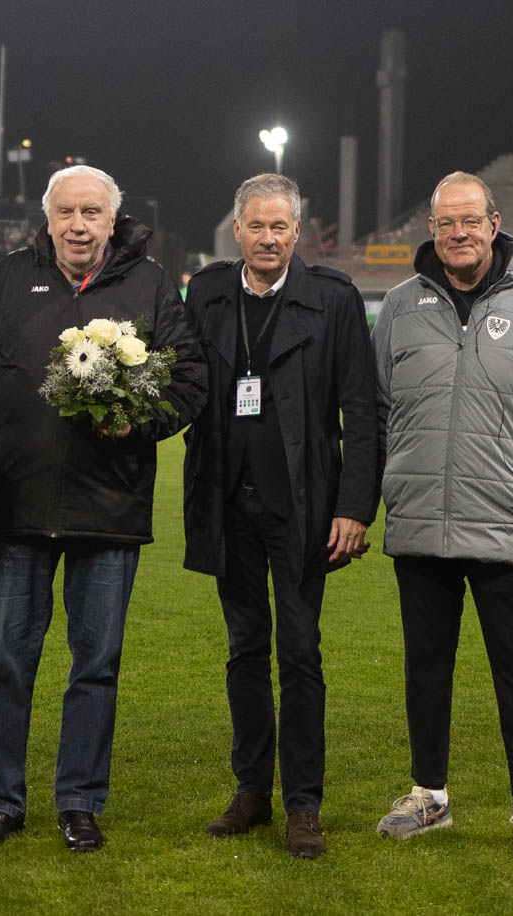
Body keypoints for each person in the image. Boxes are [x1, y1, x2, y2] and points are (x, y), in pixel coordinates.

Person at [0, 165, 205, 853]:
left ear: (113, 219)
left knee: (95, 667)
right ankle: (0, 802)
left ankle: (79, 803)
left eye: (92, 211)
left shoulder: (150, 283)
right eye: (66, 211)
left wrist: (138, 422)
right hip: (16, 504)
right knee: (5, 661)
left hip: (108, 508)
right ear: (49, 217)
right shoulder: (8, 277)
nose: (78, 224)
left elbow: (190, 382)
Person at [371, 172, 513, 859]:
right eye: (446, 223)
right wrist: (361, 505)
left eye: (470, 221)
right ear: (432, 230)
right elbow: (373, 416)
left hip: (508, 520)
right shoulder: (399, 306)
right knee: (425, 667)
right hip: (419, 522)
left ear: (495, 223)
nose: (459, 233)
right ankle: (429, 796)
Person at [181, 174, 378, 859]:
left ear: (301, 233)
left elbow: (363, 411)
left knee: (299, 651)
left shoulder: (333, 299)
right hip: (226, 504)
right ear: (236, 230)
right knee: (243, 649)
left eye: (281, 228)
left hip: (304, 508)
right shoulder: (205, 293)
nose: (268, 239)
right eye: (256, 227)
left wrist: (354, 507)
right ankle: (250, 792)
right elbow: (180, 389)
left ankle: (303, 803)